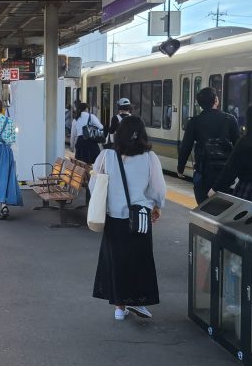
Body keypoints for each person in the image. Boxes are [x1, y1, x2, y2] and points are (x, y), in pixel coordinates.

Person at [92, 116, 166, 321]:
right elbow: (158, 188)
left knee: (116, 261)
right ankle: (137, 301)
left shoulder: (106, 155)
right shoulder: (149, 157)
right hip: (139, 216)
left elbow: (95, 185)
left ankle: (119, 308)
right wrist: (157, 206)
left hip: (113, 217)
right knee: (140, 260)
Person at [177, 87, 241, 204]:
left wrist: (180, 168)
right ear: (216, 100)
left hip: (203, 173)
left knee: (203, 207)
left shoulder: (194, 122)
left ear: (199, 104)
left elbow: (186, 147)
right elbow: (238, 147)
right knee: (222, 209)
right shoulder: (230, 119)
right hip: (224, 174)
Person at [70, 101, 103, 166]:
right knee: (93, 163)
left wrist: (72, 147)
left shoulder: (75, 119)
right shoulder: (91, 116)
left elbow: (73, 135)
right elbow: (101, 127)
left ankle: (84, 172)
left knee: (81, 164)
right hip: (91, 142)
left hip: (80, 142)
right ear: (86, 109)